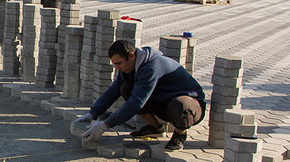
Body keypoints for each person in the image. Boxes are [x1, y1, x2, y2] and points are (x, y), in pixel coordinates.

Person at [75, 40, 206, 152]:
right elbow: (113, 91)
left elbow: (136, 103)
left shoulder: (151, 67)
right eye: (115, 64)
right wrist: (93, 113)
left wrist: (105, 125)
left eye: (119, 63)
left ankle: (180, 135)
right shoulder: (130, 67)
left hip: (190, 106)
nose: (117, 68)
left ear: (131, 56)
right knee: (125, 88)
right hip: (164, 102)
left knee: (180, 105)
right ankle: (155, 128)